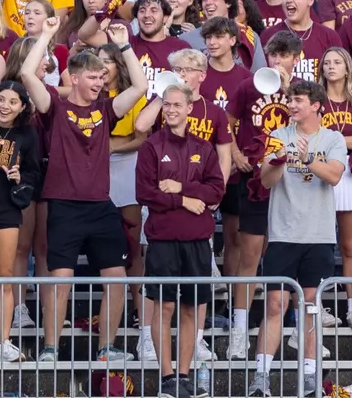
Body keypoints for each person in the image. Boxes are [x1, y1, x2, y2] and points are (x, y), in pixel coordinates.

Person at [21, 23, 147, 363]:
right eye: (93, 78)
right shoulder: (55, 110)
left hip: (101, 207)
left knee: (117, 280)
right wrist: (46, 36)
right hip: (63, 206)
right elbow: (26, 74)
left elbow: (140, 86)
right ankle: (50, 348)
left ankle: (106, 348)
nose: (100, 83)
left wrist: (124, 46)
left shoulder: (105, 110)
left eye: (102, 78)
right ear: (74, 78)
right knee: (59, 281)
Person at [254, 79, 346, 397]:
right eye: (290, 99)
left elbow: (334, 175)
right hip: (283, 233)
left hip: (318, 235)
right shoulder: (279, 135)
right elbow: (266, 181)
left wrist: (308, 160)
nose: (291, 105)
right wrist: (278, 162)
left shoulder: (333, 138)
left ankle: (309, 376)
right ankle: (260, 376)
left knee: (310, 306)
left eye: (298, 100)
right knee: (276, 305)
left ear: (316, 105)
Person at [136, 81, 226, 397]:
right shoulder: (151, 147)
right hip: (162, 241)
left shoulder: (203, 148)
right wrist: (184, 201)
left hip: (196, 242)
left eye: (177, 105)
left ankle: (184, 375)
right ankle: (167, 377)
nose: (171, 110)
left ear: (189, 108)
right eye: (167, 105)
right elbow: (144, 193)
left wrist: (180, 189)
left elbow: (217, 189)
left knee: (190, 308)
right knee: (164, 309)